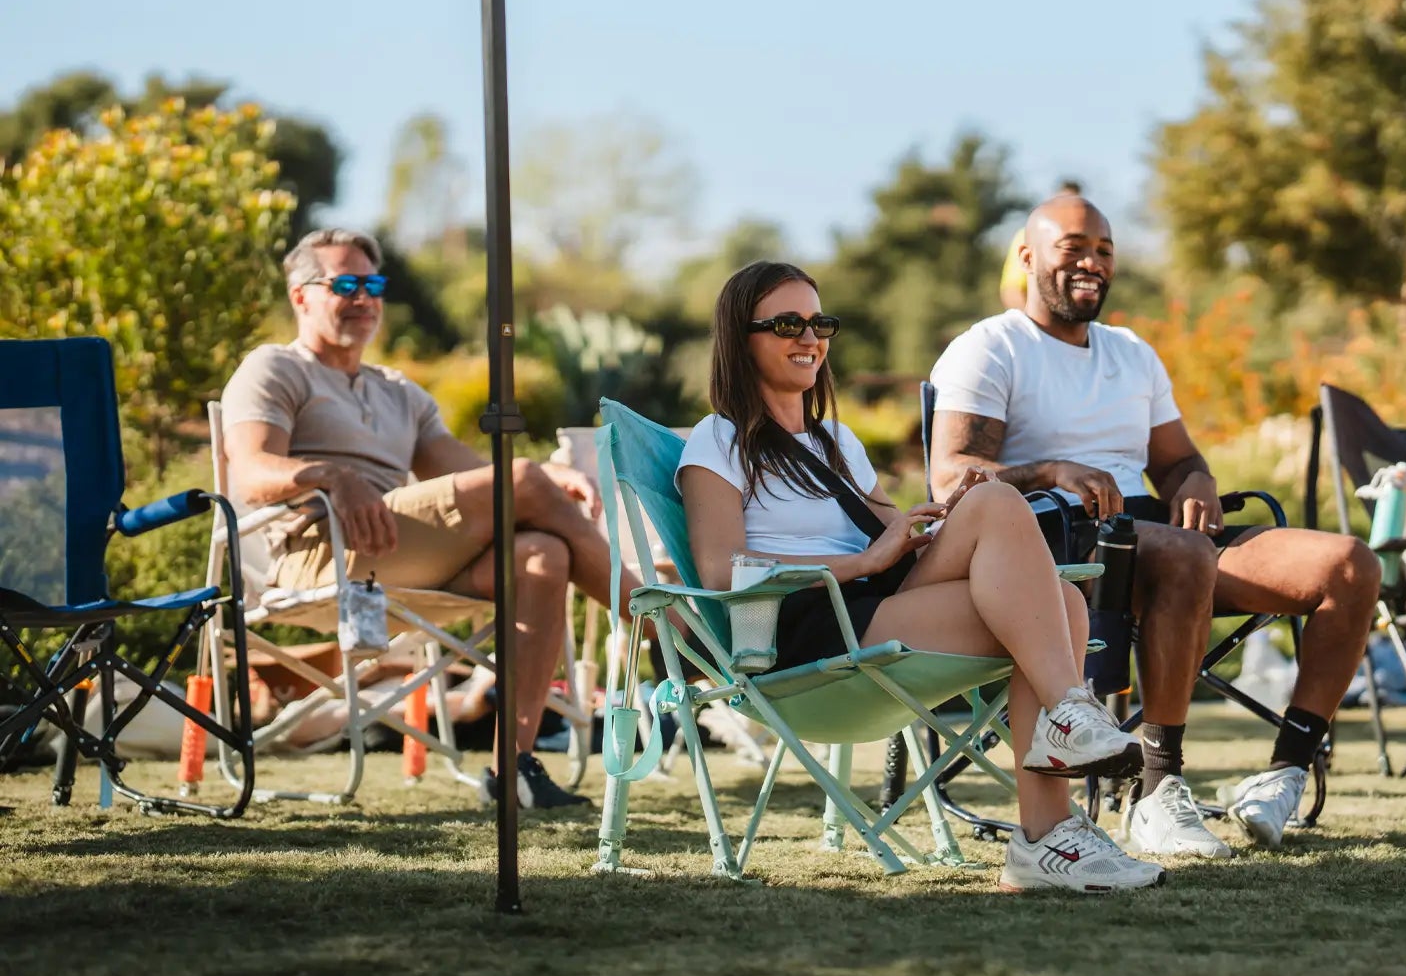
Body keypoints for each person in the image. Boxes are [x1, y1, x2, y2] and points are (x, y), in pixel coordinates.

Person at [679, 260, 1165, 894]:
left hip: (876, 605)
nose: (810, 338)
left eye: (820, 322)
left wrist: (932, 526)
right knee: (1053, 596)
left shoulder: (837, 443)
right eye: (787, 323)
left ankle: (1049, 825)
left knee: (1046, 577)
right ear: (739, 338)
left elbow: (892, 535)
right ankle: (1064, 751)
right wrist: (862, 562)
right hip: (801, 630)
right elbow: (722, 571)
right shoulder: (716, 442)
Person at [929, 195, 1380, 857]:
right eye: (1074, 246)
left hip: (1156, 537)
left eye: (1105, 250)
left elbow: (1177, 461)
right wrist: (1053, 469)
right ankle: (1157, 789)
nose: (1092, 262)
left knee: (1350, 565)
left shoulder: (1131, 352)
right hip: (1058, 546)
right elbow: (953, 476)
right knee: (1182, 554)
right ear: (1027, 257)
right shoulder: (992, 346)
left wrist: (1196, 480)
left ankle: (1281, 775)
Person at [221, 228, 632, 809]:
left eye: (373, 284)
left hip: (405, 559)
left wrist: (546, 476)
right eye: (345, 284)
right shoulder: (274, 368)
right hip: (322, 554)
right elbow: (250, 472)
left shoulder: (399, 392)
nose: (364, 297)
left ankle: (512, 768)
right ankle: (663, 624)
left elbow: (471, 473)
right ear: (300, 295)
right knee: (526, 488)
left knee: (544, 554)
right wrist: (332, 476)